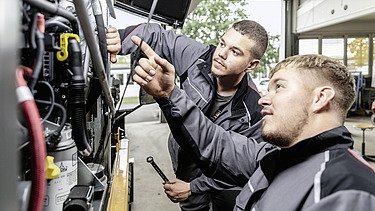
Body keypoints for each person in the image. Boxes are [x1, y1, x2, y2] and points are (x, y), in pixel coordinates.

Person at [129, 42, 375, 210]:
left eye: (279, 87)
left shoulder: (348, 187)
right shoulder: (272, 156)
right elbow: (213, 142)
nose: (263, 99)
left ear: (320, 98)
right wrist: (169, 93)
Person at [106, 20, 268, 210]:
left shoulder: (253, 110)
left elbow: (244, 168)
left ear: (251, 65)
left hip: (212, 177)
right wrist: (121, 37)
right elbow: (157, 35)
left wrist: (194, 187)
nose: (221, 54)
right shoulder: (199, 57)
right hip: (182, 159)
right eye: (223, 43)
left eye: (235, 52)